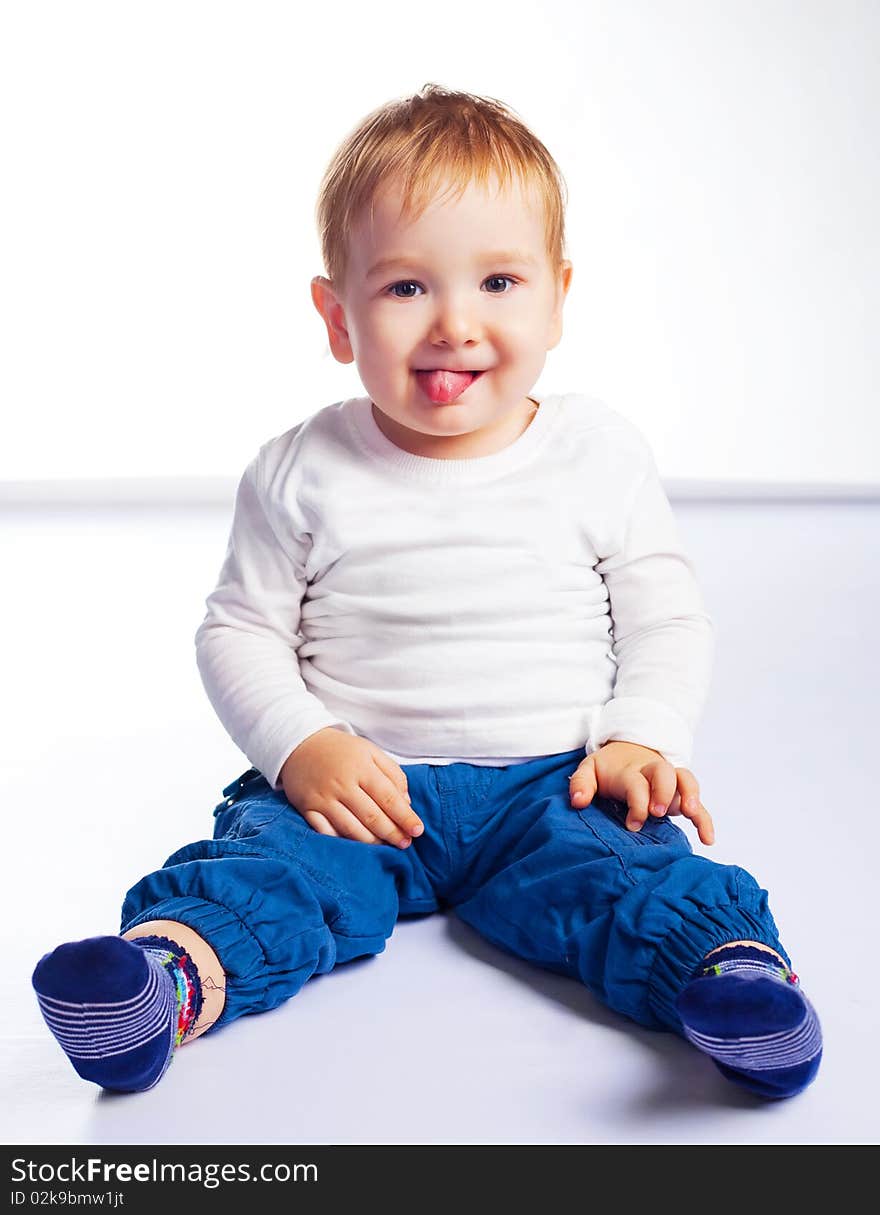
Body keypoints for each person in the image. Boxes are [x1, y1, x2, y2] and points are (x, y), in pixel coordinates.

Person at [32, 83, 821, 1101]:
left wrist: (643, 736)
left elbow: (663, 614)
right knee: (275, 873)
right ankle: (161, 986)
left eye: (498, 282)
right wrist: (301, 746)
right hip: (358, 786)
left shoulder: (595, 453)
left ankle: (733, 990)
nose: (454, 323)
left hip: (554, 782)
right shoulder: (301, 467)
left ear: (558, 296)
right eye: (406, 289)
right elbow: (238, 630)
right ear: (336, 314)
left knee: (628, 876)